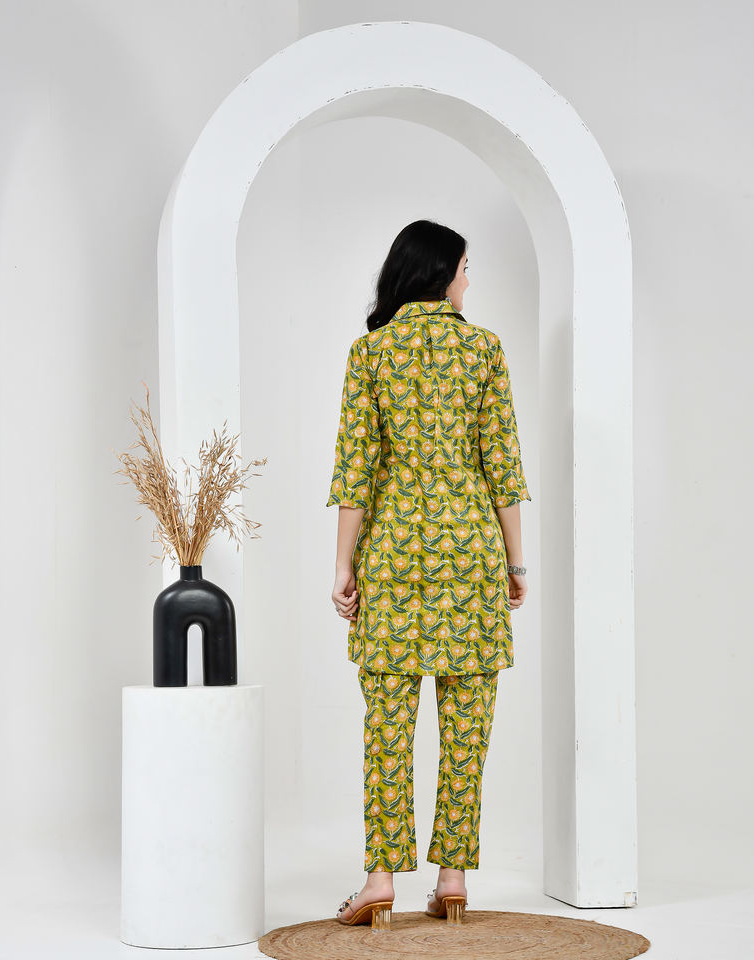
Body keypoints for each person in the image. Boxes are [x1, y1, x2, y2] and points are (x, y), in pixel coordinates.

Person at [326, 219, 531, 931]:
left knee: (387, 721)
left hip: (391, 559)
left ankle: (380, 879)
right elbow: (502, 466)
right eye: (466, 268)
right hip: (471, 557)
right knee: (467, 723)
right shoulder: (483, 350)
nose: (469, 281)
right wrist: (514, 561)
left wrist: (342, 565)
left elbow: (355, 470)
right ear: (440, 273)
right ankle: (452, 878)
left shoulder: (371, 353)